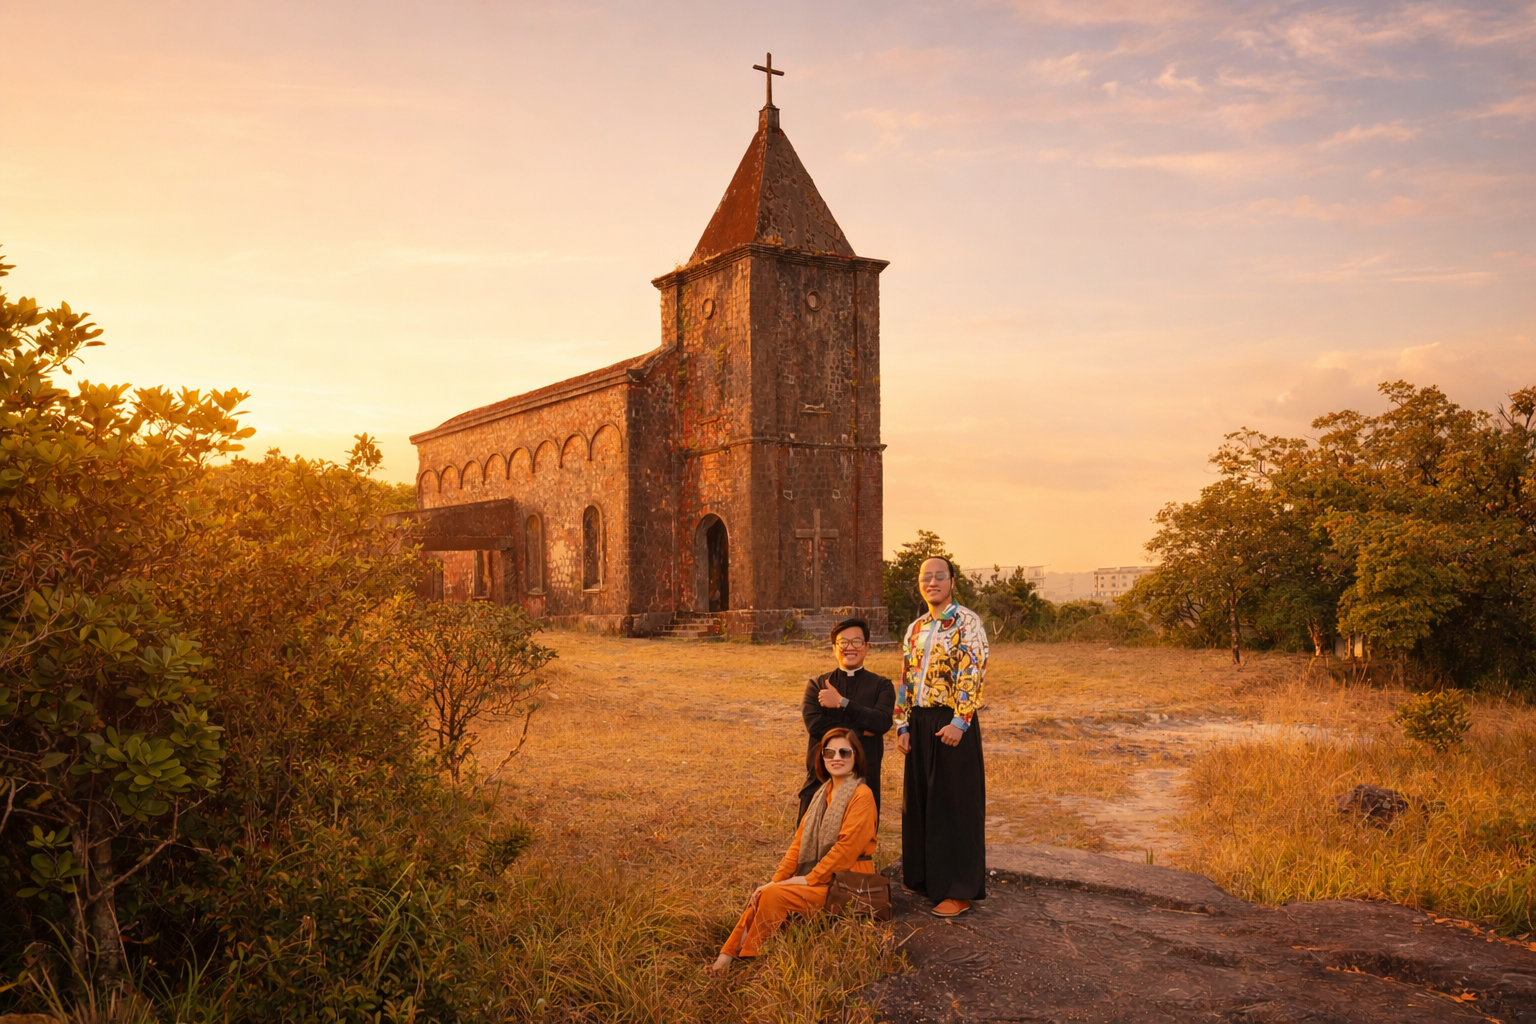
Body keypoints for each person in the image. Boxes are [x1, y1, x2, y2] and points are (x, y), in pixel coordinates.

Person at [709, 726, 878, 972]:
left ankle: (744, 959)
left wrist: (806, 879)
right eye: (829, 753)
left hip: (848, 882)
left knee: (775, 895)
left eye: (844, 752)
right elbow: (797, 846)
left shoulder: (862, 796)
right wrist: (777, 880)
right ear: (822, 758)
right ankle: (727, 957)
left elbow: (846, 850)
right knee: (766, 892)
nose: (837, 758)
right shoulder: (823, 793)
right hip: (823, 878)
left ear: (856, 757)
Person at [895, 555, 989, 918]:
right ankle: (924, 879)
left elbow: (973, 670)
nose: (931, 582)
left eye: (939, 576)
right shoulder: (916, 627)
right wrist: (902, 724)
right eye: (925, 577)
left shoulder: (967, 623)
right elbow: (905, 676)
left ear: (952, 581)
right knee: (920, 803)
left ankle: (958, 890)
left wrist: (960, 720)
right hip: (918, 723)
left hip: (951, 723)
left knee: (954, 806)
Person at [798, 617, 895, 821]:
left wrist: (842, 702)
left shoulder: (882, 685)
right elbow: (816, 725)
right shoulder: (817, 684)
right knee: (810, 837)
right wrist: (861, 731)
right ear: (834, 647)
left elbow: (882, 722)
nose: (850, 647)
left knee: (859, 838)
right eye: (843, 642)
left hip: (864, 773)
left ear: (867, 646)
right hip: (822, 773)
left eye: (857, 642)